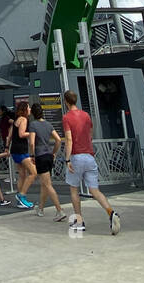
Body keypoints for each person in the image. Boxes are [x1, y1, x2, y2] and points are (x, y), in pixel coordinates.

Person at [62, 89, 121, 235]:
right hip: (89, 156)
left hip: (76, 157)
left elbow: (69, 139)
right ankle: (110, 212)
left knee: (74, 190)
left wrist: (67, 158)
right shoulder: (86, 115)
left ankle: (79, 222)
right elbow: (90, 132)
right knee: (94, 190)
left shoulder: (66, 118)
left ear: (66, 102)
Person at [28, 104, 66, 221]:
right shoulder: (48, 124)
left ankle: (59, 210)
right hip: (49, 155)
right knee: (44, 183)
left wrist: (32, 155)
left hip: (40, 156)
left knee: (47, 185)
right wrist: (54, 152)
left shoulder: (33, 125)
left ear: (33, 114)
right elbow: (58, 139)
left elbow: (32, 143)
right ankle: (41, 208)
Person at [9, 102, 36, 209]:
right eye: (28, 108)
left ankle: (20, 200)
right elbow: (21, 134)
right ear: (25, 109)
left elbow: (11, 135)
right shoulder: (24, 119)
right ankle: (21, 195)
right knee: (33, 173)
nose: (30, 109)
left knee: (22, 175)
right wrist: (32, 133)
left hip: (15, 150)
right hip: (21, 150)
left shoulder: (17, 119)